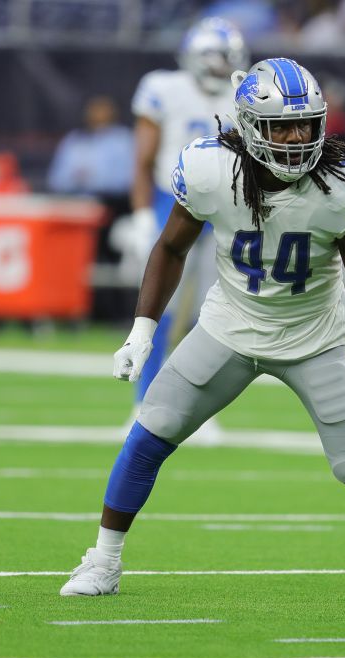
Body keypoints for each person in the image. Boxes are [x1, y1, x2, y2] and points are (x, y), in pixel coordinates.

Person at [60, 58, 345, 596]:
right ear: (250, 125)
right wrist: (142, 330)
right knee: (152, 428)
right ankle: (104, 561)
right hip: (230, 326)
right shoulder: (211, 170)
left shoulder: (344, 184)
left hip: (314, 338)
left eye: (307, 123)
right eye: (281, 126)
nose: (298, 137)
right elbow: (171, 248)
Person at [129, 17, 249, 418]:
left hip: (226, 207)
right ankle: (144, 403)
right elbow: (143, 160)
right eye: (217, 59)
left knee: (216, 316)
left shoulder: (243, 95)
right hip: (172, 201)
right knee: (157, 310)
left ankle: (199, 411)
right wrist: (142, 212)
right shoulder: (164, 89)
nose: (222, 68)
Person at [47, 96, 134, 264]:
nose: (98, 115)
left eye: (103, 110)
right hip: (73, 206)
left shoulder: (123, 140)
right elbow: (57, 179)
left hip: (111, 206)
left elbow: (126, 180)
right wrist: (78, 180)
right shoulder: (73, 141)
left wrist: (92, 179)